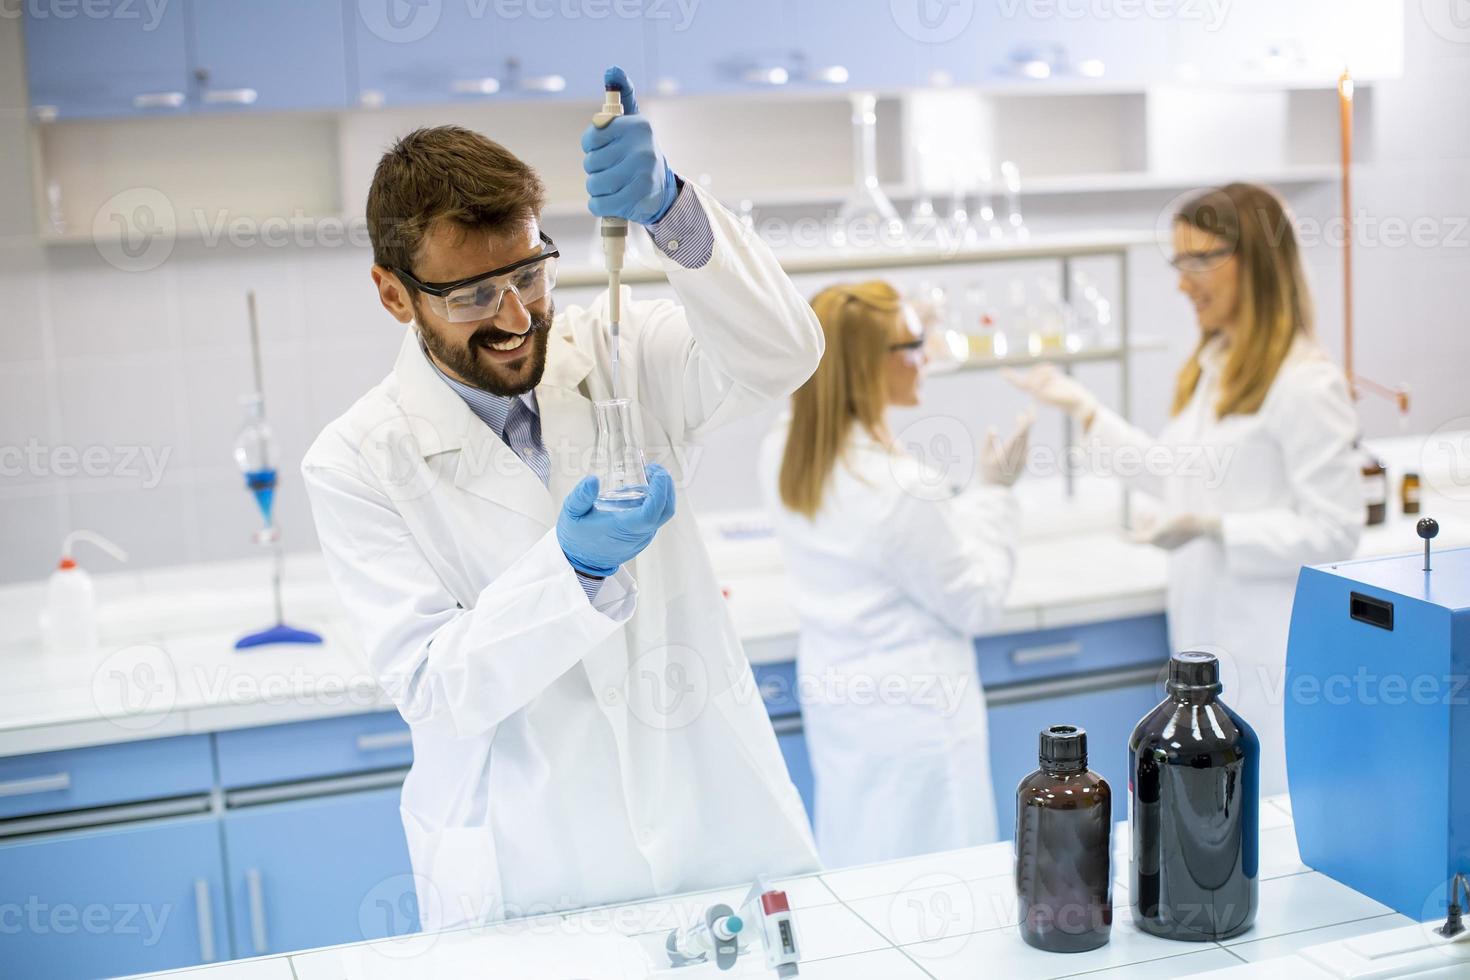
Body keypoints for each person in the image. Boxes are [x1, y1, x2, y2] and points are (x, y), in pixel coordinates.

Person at [301, 68, 822, 931]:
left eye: (531, 275)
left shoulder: (615, 349)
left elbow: (782, 354)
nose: (516, 316)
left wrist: (671, 212)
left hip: (711, 828)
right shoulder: (357, 462)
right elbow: (437, 688)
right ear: (394, 294)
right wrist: (573, 571)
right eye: (472, 295)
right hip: (533, 866)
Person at [1009, 182, 1364, 798]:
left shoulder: (1306, 383)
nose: (1183, 281)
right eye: (1180, 261)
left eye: (1200, 260)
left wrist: (1217, 528)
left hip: (1270, 654)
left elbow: (1337, 528)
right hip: (1207, 644)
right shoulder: (1215, 369)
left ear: (1256, 263)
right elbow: (1177, 474)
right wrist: (1087, 411)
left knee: (1264, 809)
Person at [757, 280, 1032, 868]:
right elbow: (977, 602)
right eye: (912, 345)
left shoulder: (786, 451)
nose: (926, 357)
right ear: (867, 366)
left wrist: (903, 319)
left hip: (845, 708)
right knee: (942, 886)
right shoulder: (899, 490)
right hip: (917, 723)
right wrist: (996, 495)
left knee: (863, 868)